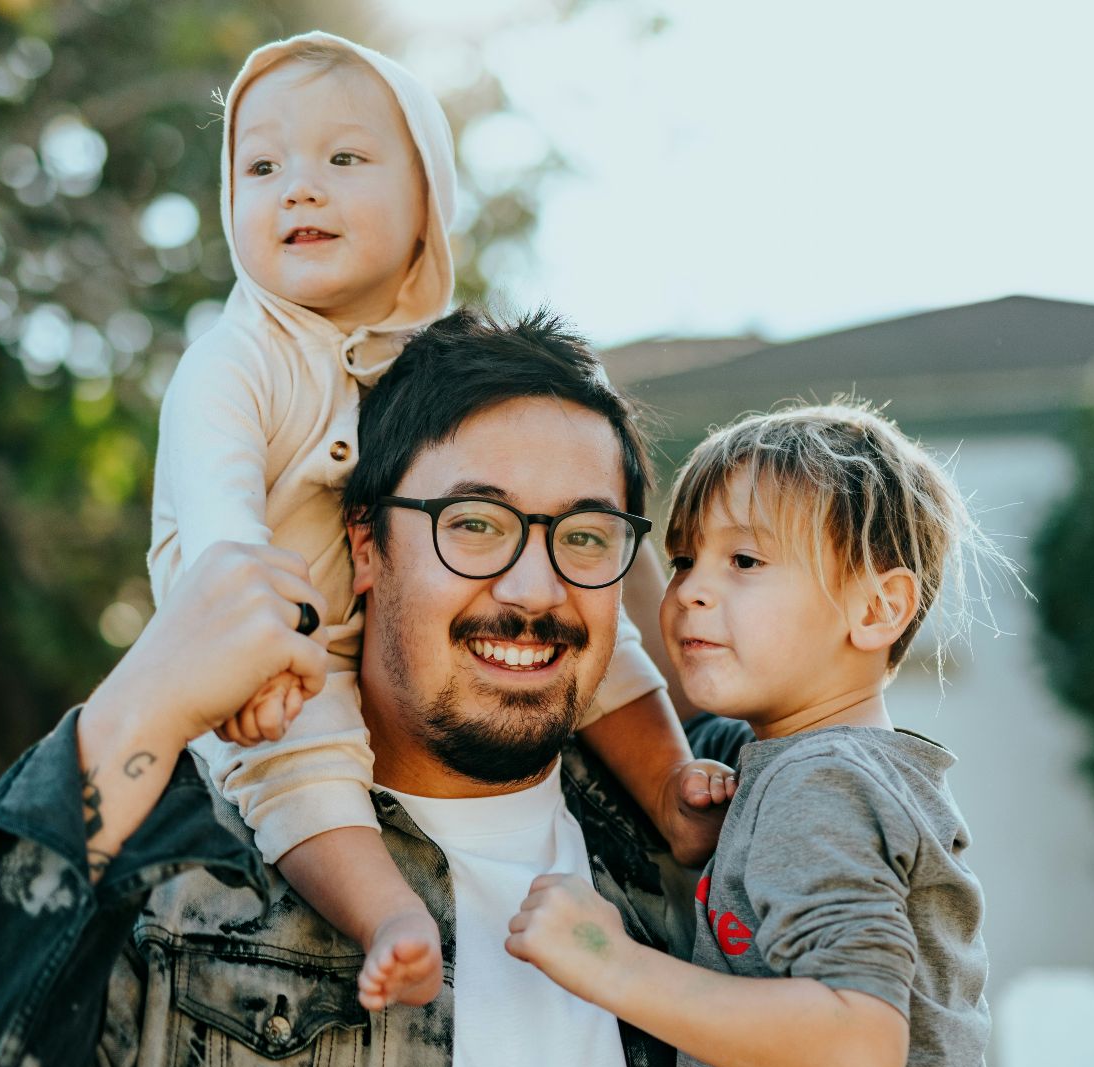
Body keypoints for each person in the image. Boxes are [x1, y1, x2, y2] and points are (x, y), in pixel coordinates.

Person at [0, 308, 723, 1067]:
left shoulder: (719, 848)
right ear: (367, 545)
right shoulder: (184, 883)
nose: (534, 590)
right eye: (473, 525)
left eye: (583, 535)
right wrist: (144, 698)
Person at [147, 31, 731, 1012]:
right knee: (302, 768)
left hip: (366, 633)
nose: (299, 187)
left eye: (343, 159)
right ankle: (389, 916)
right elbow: (220, 530)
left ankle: (673, 791)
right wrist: (254, 656)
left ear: (428, 202)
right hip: (271, 653)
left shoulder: (442, 364)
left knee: (595, 629)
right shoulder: (235, 361)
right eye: (262, 166)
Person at [507, 402, 999, 1067]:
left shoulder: (820, 783)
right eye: (683, 559)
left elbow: (857, 1048)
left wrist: (608, 962)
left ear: (878, 608)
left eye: (743, 559)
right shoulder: (815, 767)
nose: (690, 593)